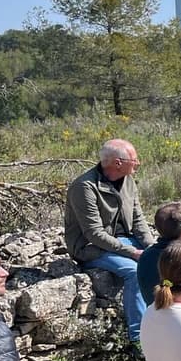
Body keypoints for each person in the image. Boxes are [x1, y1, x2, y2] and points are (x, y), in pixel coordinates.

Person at [64, 139, 155, 342]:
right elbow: (94, 234)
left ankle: (162, 327)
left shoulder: (128, 181)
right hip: (92, 248)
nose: (137, 163)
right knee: (135, 272)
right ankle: (139, 340)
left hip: (125, 240)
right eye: (134, 160)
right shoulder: (84, 187)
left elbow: (138, 218)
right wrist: (132, 253)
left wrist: (151, 248)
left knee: (165, 261)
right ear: (117, 162)